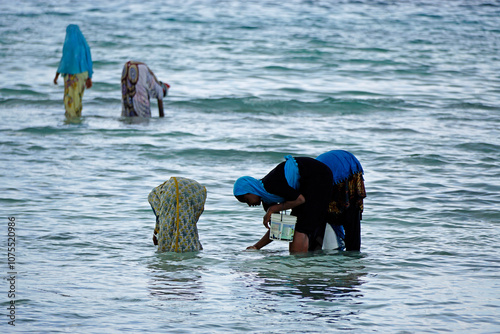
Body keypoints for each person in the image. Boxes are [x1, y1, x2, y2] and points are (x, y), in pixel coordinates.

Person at [234, 155, 334, 253]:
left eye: (247, 200)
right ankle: (307, 259)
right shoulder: (267, 200)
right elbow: (279, 229)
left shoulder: (270, 184)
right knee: (298, 222)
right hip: (305, 185)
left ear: (250, 190)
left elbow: (300, 200)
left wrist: (273, 209)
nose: (249, 205)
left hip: (318, 174)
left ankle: (298, 260)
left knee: (301, 226)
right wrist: (256, 247)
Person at [316, 150, 366, 251]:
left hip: (344, 168)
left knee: (329, 212)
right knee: (350, 214)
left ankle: (349, 252)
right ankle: (352, 256)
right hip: (349, 165)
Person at [148, 177, 207, 253]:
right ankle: (190, 250)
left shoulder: (152, 196)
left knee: (168, 227)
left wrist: (156, 233)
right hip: (198, 190)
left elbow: (160, 216)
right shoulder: (159, 191)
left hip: (174, 188)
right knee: (188, 223)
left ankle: (171, 253)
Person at [53, 24, 93, 119]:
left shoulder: (68, 45)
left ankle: (71, 118)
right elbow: (89, 61)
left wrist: (57, 75)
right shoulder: (84, 45)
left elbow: (64, 61)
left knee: (70, 96)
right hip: (83, 74)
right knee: (78, 96)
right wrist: (90, 77)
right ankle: (78, 116)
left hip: (70, 75)